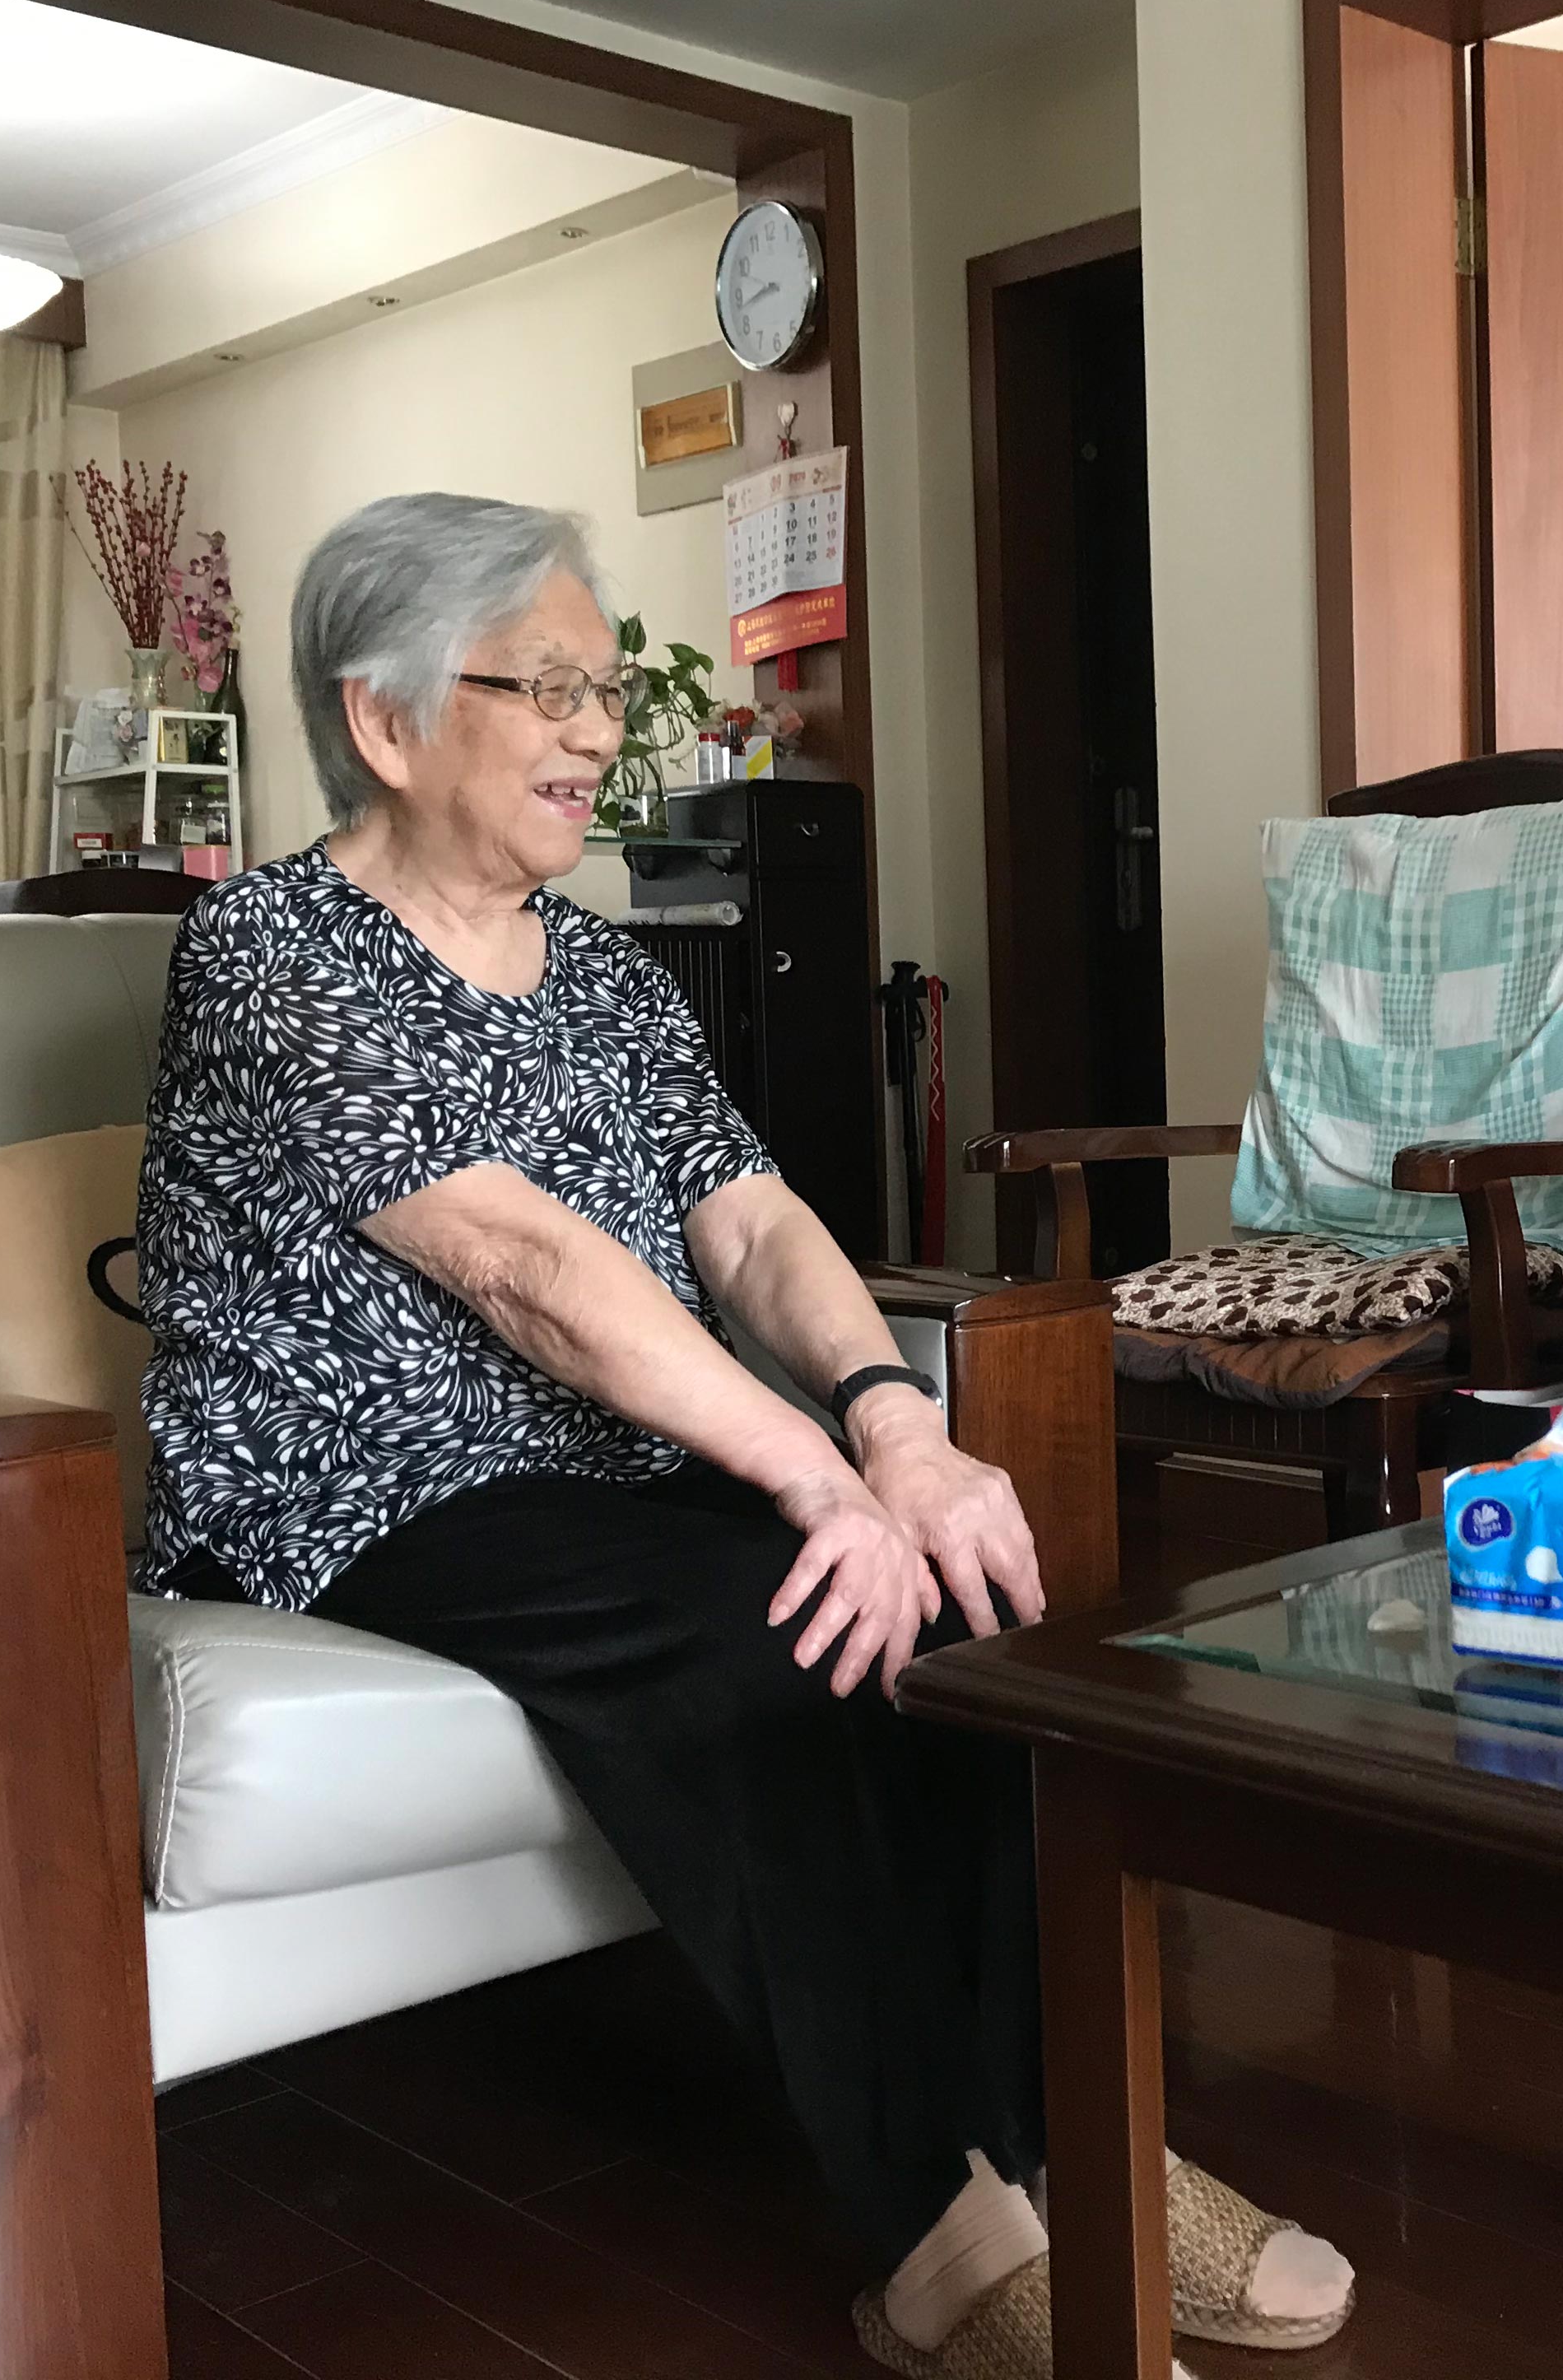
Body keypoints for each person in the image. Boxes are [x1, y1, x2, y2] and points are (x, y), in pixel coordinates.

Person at [135, 493, 1352, 2379]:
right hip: (359, 1492)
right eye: (543, 687)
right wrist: (805, 1476)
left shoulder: (606, 976)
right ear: (384, 719)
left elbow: (756, 1222)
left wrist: (895, 1432)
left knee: (972, 1610)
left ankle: (1077, 2145)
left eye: (602, 689)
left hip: (600, 1471)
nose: (594, 732)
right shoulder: (273, 949)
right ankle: (943, 2237)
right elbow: (527, 1267)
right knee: (784, 1635)